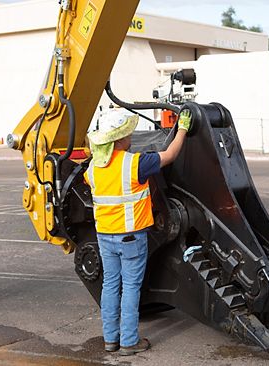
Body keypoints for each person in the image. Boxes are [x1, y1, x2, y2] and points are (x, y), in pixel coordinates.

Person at [83, 108, 192, 356]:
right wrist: (183, 128)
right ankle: (129, 341)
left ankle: (111, 339)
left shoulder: (92, 170)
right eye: (127, 133)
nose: (131, 136)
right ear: (120, 139)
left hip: (105, 237)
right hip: (131, 237)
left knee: (110, 285)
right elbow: (171, 154)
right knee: (131, 287)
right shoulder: (135, 163)